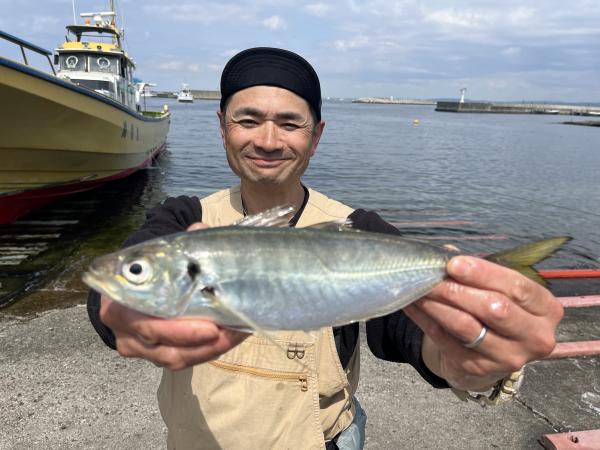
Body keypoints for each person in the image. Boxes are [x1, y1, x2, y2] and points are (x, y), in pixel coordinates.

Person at [87, 47, 563, 450]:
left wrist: (467, 357)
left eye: (290, 123)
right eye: (247, 120)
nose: (267, 140)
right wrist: (119, 313)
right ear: (223, 127)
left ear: (316, 135)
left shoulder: (358, 228)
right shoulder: (183, 219)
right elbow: (108, 299)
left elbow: (410, 328)